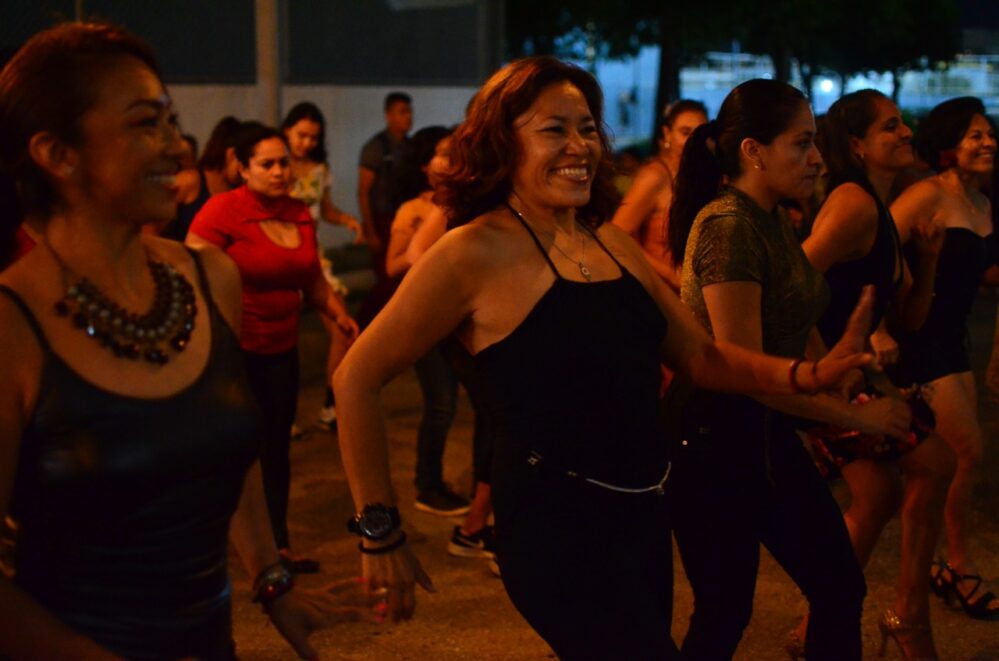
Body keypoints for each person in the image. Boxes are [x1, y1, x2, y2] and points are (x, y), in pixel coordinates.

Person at [334, 57, 877, 659]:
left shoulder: (608, 240)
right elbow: (355, 377)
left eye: (588, 128)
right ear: (501, 141)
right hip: (553, 530)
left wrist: (807, 376)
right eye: (554, 129)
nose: (579, 146)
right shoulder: (470, 252)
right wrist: (379, 533)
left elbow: (701, 357)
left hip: (641, 516)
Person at [0, 23, 369, 659]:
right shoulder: (12, 324)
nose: (176, 147)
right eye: (147, 124)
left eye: (171, 122)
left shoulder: (209, 277)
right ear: (57, 155)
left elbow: (229, 451)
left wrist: (273, 582)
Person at [666, 79, 913, 661]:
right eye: (802, 143)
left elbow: (790, 321)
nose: (818, 157)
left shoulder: (772, 218)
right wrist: (860, 418)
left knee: (837, 585)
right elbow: (746, 371)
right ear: (754, 151)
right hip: (711, 439)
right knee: (726, 611)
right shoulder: (729, 227)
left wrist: (836, 366)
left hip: (763, 434)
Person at [795, 89, 955, 659]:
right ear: (857, 145)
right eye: (891, 126)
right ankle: (910, 615)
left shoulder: (883, 214)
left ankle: (815, 624)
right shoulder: (852, 202)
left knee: (880, 492)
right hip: (826, 379)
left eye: (905, 122)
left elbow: (909, 319)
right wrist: (822, 367)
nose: (906, 132)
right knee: (937, 461)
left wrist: (929, 259)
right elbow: (792, 284)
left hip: (847, 376)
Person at [188, 122, 360, 575]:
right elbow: (190, 277)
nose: (280, 171)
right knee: (233, 448)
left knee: (276, 448)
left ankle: (278, 547)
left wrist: (338, 313)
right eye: (267, 164)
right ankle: (220, 546)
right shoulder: (221, 213)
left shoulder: (299, 212)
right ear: (242, 168)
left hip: (282, 350)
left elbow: (313, 280)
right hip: (234, 352)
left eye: (284, 162)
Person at [890, 96, 999, 621]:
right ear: (948, 144)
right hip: (916, 336)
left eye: (989, 134)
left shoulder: (981, 204)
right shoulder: (924, 195)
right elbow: (873, 247)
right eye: (975, 135)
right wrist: (877, 328)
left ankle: (932, 562)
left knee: (945, 463)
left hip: (954, 339)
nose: (988, 143)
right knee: (965, 452)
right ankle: (956, 564)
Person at [282, 101, 362, 430]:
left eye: (313, 137)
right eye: (301, 135)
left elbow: (324, 210)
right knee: (282, 340)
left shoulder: (319, 170)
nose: (306, 143)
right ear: (286, 130)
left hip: (313, 258)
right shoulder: (275, 165)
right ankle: (280, 417)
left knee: (343, 328)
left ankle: (331, 405)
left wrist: (347, 220)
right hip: (281, 257)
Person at [611, 100, 708, 291]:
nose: (693, 140)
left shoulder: (703, 176)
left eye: (699, 133)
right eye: (685, 132)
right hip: (662, 293)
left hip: (694, 293)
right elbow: (617, 234)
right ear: (667, 134)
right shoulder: (655, 176)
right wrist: (671, 275)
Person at [356, 91, 413, 327]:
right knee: (386, 280)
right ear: (388, 115)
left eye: (409, 111)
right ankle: (363, 326)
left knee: (402, 281)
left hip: (404, 220)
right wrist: (370, 231)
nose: (408, 117)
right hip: (382, 219)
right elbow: (363, 192)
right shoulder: (376, 147)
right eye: (402, 112)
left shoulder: (410, 146)